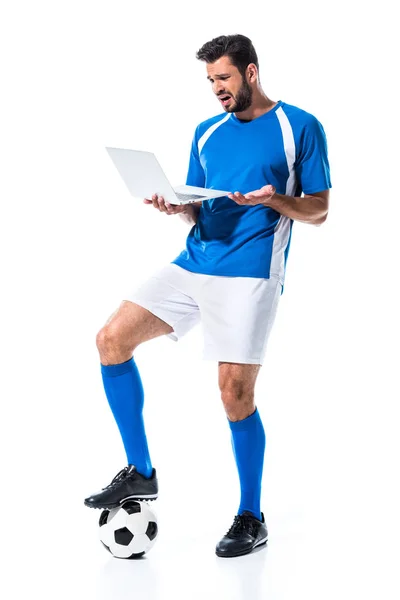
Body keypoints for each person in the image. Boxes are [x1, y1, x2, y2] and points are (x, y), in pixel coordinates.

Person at [84, 34, 331, 558]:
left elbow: (319, 209)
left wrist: (274, 199)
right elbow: (199, 202)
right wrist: (177, 208)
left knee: (234, 394)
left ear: (251, 73)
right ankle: (140, 472)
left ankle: (251, 516)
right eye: (211, 81)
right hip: (195, 260)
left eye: (224, 78)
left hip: (251, 272)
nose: (218, 89)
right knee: (110, 339)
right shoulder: (206, 132)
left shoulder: (300, 127)